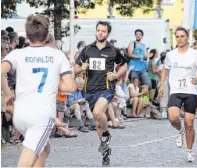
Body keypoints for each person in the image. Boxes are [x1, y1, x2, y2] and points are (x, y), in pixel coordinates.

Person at [1, 15, 76, 167]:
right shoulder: (57, 55)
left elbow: (1, 71)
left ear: (27, 35)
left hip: (20, 115)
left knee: (44, 148)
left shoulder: (17, 54)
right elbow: (70, 87)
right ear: (47, 35)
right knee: (26, 162)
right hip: (41, 115)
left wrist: (8, 94)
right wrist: (53, 81)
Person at [75, 21, 127, 166]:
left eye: (103, 31)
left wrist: (116, 76)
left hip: (106, 88)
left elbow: (124, 65)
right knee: (98, 123)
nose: (100, 33)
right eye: (98, 30)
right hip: (89, 90)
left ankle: (106, 136)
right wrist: (81, 68)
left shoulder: (113, 50)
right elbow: (76, 68)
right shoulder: (87, 50)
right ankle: (105, 146)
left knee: (97, 113)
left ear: (107, 33)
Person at [159, 27, 197, 162]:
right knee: (173, 117)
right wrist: (162, 85)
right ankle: (180, 130)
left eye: (182, 36)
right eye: (177, 36)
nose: (180, 39)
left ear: (187, 38)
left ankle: (190, 151)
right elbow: (165, 69)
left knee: (189, 123)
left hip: (191, 90)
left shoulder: (195, 55)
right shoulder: (171, 55)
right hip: (176, 90)